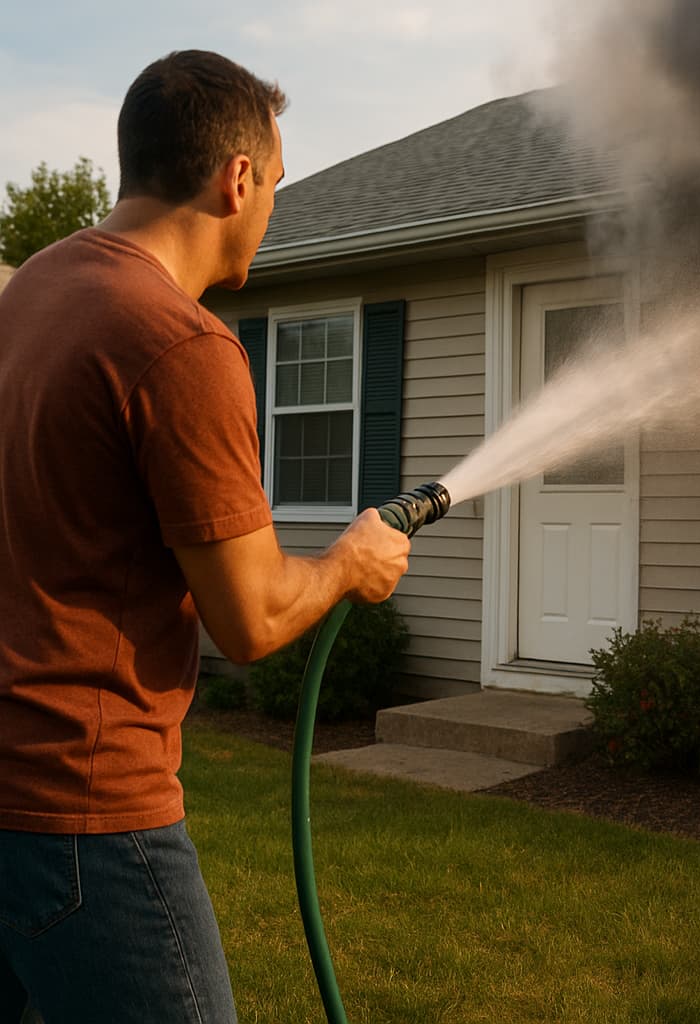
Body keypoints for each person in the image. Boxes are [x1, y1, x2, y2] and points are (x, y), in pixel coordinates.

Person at [0, 51, 412, 1024]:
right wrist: (352, 561)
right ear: (236, 179)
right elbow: (253, 618)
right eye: (274, 182)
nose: (272, 207)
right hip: (87, 815)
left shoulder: (32, 294)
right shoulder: (178, 342)